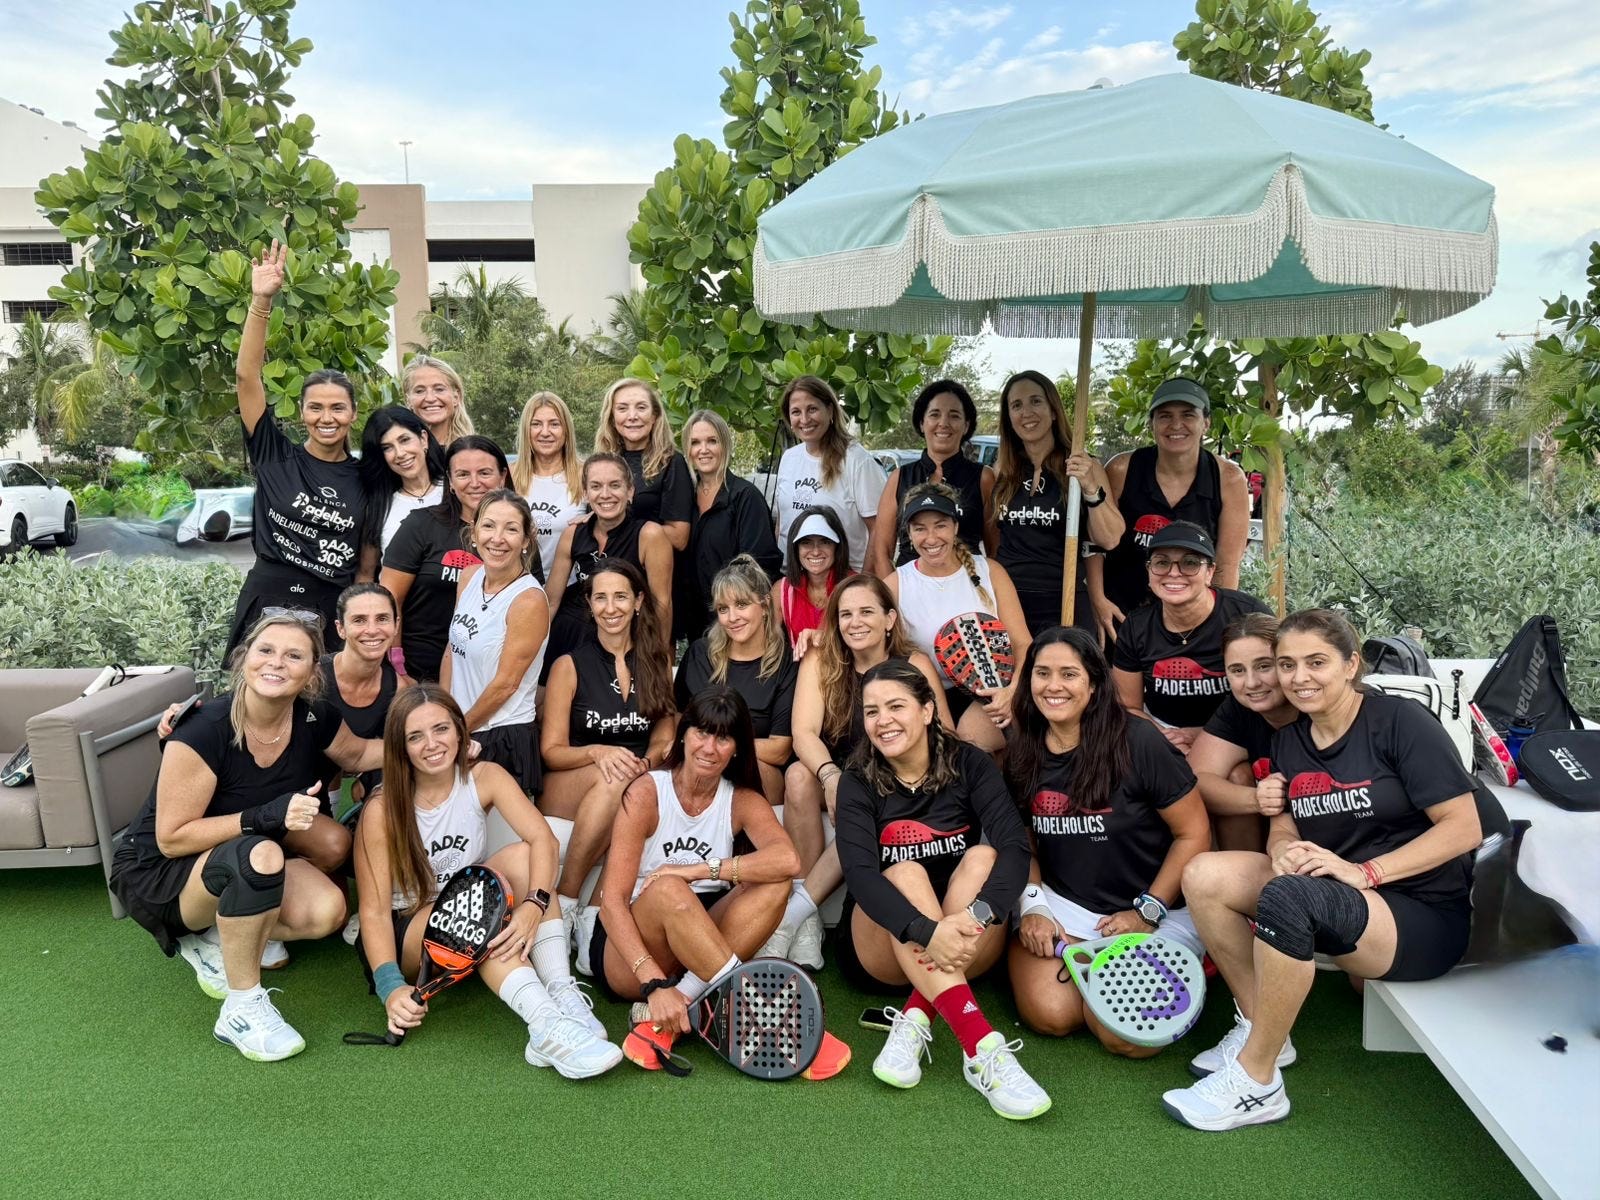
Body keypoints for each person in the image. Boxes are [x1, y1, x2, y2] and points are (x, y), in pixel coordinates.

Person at [1160, 608, 1482, 1131]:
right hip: (1342, 896)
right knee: (1204, 875)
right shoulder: (1291, 741)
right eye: (1287, 664)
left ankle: (1257, 1081)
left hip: (1420, 913)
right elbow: (1284, 826)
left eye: (1316, 662)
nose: (1298, 677)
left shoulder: (1397, 721)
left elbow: (1464, 828)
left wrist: (1366, 872)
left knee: (1289, 896)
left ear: (1350, 665)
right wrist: (1284, 851)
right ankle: (1265, 1030)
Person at [108, 612, 384, 1061]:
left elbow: (358, 754)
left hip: (239, 850)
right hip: (161, 873)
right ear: (244, 658)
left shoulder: (313, 715)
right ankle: (241, 1007)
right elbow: (172, 838)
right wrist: (264, 816)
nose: (276, 662)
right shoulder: (202, 729)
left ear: (312, 672)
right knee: (260, 855)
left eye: (294, 655)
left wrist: (431, 745)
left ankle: (228, 929)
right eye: (266, 650)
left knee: (327, 909)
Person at [353, 684, 620, 1076]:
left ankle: (561, 992)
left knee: (525, 857)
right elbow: (374, 912)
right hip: (406, 932)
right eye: (415, 736)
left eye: (441, 729)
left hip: (468, 902)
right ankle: (545, 1025)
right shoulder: (382, 809)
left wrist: (535, 905)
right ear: (400, 747)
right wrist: (390, 985)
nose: (432, 744)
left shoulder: (484, 776)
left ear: (460, 731)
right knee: (477, 913)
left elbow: (543, 841)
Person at [593, 686, 854, 1077]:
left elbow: (787, 860)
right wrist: (653, 985)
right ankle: (762, 1013)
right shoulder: (648, 792)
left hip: (697, 947)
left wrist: (696, 870)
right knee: (668, 889)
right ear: (683, 735)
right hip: (632, 950)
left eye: (723, 738)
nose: (709, 748)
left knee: (776, 883)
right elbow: (612, 902)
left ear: (736, 749)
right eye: (701, 732)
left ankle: (678, 1010)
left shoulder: (740, 798)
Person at [835, 660, 1048, 1119]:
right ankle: (983, 1048)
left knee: (984, 857)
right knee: (904, 873)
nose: (883, 721)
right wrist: (926, 931)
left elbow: (1014, 847)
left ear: (928, 710)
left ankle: (917, 1015)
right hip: (883, 944)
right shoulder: (856, 779)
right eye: (871, 711)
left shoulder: (968, 762)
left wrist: (975, 917)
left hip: (965, 937)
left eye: (896, 706)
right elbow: (861, 876)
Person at [1004, 628, 1211, 1056]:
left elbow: (1194, 833)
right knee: (1052, 1014)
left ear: (1095, 683)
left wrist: (1148, 912)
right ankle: (1094, 964)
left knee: (1125, 1039)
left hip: (1155, 908)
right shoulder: (1023, 750)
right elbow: (1022, 842)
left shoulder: (1138, 740)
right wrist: (1034, 906)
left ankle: (1191, 961)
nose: (1053, 686)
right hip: (1069, 906)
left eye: (1069, 674)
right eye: (1042, 673)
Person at [768, 574, 953, 970]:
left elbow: (944, 736)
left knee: (864, 805)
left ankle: (795, 915)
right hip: (836, 773)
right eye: (845, 614)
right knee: (798, 777)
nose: (855, 622)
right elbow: (803, 733)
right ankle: (807, 923)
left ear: (889, 619)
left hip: (895, 781)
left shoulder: (913, 664)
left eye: (866, 612)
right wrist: (830, 776)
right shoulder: (823, 659)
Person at [226, 240, 366, 655]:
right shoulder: (275, 455)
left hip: (331, 605)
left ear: (353, 413)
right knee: (258, 691)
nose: (327, 417)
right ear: (301, 411)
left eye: (337, 407)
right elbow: (246, 377)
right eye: (316, 407)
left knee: (322, 696)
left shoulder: (368, 477)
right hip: (268, 597)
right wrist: (261, 301)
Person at [538, 560, 677, 971]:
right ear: (589, 604)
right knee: (616, 779)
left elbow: (665, 738)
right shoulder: (569, 665)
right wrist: (598, 752)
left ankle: (593, 917)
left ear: (638, 602)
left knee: (628, 788)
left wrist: (646, 763)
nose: (610, 607)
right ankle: (566, 901)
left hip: (633, 781)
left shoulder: (656, 660)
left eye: (620, 597)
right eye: (600, 597)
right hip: (571, 778)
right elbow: (551, 750)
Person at [1090, 376, 1250, 639]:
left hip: (1192, 616)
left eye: (1188, 415)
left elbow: (1226, 565)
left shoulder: (1228, 479)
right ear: (1151, 423)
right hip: (1121, 612)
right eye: (1165, 416)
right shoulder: (1122, 469)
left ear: (1205, 422)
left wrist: (1214, 624)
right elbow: (1095, 541)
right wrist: (1098, 599)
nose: (1176, 425)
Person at [887, 481, 1031, 754]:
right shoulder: (897, 583)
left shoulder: (990, 571)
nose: (931, 538)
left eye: (940, 525)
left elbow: (1023, 642)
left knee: (969, 747)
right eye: (920, 528)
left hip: (990, 690)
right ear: (909, 533)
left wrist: (1012, 691)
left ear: (955, 527)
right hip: (926, 696)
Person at [1111, 521, 1271, 754]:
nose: (1174, 572)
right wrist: (1163, 738)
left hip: (1241, 726)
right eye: (1162, 562)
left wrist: (1203, 735)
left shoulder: (1246, 614)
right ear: (1149, 572)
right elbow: (1128, 706)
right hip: (1162, 728)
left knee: (1237, 772)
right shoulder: (1137, 627)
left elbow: (1272, 692)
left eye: (1190, 563)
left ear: (1210, 572)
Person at [988, 370, 1124, 637]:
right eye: (1017, 405)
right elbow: (993, 538)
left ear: (1053, 411)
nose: (1026, 412)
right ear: (1009, 418)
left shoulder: (1084, 466)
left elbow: (1109, 539)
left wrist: (1090, 488)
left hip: (1065, 598)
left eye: (1036, 401)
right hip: (1008, 600)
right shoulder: (1003, 470)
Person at [440, 490, 550, 797]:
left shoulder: (528, 600)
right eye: (488, 526)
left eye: (511, 529)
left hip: (502, 737)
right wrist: (444, 715)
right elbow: (452, 650)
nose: (497, 538)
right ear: (474, 532)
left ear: (526, 539)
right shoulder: (469, 576)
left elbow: (506, 685)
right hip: (461, 727)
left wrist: (458, 731)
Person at [380, 435, 515, 682]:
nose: (475, 483)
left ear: (502, 476)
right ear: (450, 481)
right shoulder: (421, 525)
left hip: (487, 675)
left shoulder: (517, 535)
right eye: (463, 474)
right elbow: (389, 599)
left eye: (484, 473)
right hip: (418, 672)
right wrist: (397, 667)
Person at [674, 555, 797, 807]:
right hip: (699, 765)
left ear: (765, 605)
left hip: (757, 771)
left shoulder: (786, 661)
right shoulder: (700, 654)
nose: (732, 617)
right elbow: (677, 716)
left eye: (741, 604)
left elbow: (779, 749)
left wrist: (715, 748)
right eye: (723, 609)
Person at [544, 452, 673, 678]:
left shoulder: (649, 535)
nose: (605, 494)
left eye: (615, 485)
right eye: (596, 486)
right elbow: (551, 601)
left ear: (630, 491)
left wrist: (659, 658)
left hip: (625, 637)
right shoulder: (572, 534)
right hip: (570, 633)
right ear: (586, 493)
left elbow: (661, 603)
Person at [1188, 613, 1299, 852]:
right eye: (1237, 670)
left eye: (1264, 666)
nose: (1251, 683)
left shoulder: (1316, 704)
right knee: (1236, 775)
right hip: (1278, 844)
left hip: (1337, 840)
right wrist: (1259, 799)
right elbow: (1195, 780)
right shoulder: (1238, 709)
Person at [868, 379, 995, 576]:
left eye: (954, 415)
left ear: (966, 425)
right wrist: (893, 591)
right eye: (935, 414)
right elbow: (881, 551)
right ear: (922, 423)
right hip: (909, 590)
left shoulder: (983, 478)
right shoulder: (899, 477)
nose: (943, 423)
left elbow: (995, 549)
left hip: (967, 586)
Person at [682, 408, 781, 635]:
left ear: (725, 445)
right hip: (696, 626)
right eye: (695, 442)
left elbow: (759, 566)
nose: (703, 449)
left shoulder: (746, 497)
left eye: (712, 441)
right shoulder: (683, 499)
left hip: (736, 623)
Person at [771, 376, 885, 573]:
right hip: (792, 577)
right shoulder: (789, 458)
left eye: (812, 409)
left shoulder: (856, 460)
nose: (804, 419)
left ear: (830, 410)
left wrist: (862, 581)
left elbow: (880, 528)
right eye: (796, 412)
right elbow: (782, 521)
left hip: (843, 579)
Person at [317, 582, 413, 804]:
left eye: (382, 619)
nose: (372, 630)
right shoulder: (313, 677)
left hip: (348, 785)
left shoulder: (397, 689)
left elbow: (403, 745)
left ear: (396, 625)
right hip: (298, 790)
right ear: (341, 628)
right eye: (359, 620)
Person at [593, 377, 693, 552]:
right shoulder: (602, 462)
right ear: (612, 417)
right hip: (606, 563)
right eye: (622, 408)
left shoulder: (671, 463)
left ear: (654, 416)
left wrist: (619, 526)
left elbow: (679, 538)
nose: (632, 416)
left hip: (651, 565)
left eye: (641, 407)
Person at [356, 406, 445, 580]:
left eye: (404, 440)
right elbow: (365, 575)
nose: (400, 453)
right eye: (387, 448)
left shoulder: (455, 490)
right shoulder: (379, 506)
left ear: (423, 439)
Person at [510, 391, 587, 585]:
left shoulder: (585, 474)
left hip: (571, 589)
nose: (545, 432)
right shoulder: (509, 475)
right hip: (517, 587)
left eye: (554, 424)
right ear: (526, 430)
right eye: (536, 424)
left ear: (566, 429)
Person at [775, 507, 853, 657]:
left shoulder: (856, 586)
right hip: (799, 670)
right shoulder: (782, 589)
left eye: (825, 542)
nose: (816, 551)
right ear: (795, 548)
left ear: (837, 547)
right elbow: (769, 642)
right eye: (806, 542)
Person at [401, 353, 474, 446]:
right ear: (408, 400)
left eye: (439, 389)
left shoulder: (473, 450)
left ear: (456, 397)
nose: (430, 398)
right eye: (420, 391)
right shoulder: (400, 452)